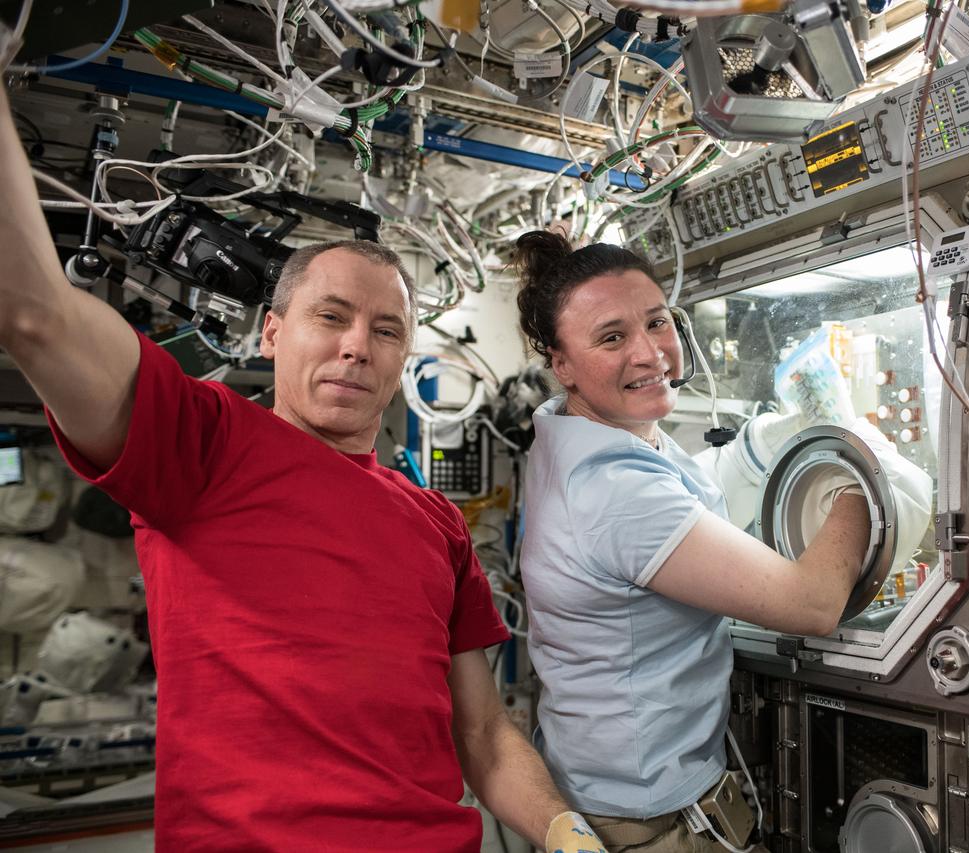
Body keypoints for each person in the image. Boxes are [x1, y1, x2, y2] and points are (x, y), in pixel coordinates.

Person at [0, 89, 606, 853]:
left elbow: (482, 732)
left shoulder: (437, 524)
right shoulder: (202, 445)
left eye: (386, 330)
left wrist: (563, 828)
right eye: (332, 316)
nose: (358, 345)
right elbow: (34, 315)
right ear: (271, 334)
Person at [513, 230, 882, 852]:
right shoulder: (613, 491)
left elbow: (689, 495)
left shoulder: (586, 433)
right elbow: (811, 604)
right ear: (562, 364)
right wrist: (860, 473)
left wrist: (770, 437)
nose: (650, 353)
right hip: (645, 820)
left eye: (657, 322)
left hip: (599, 780)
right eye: (612, 337)